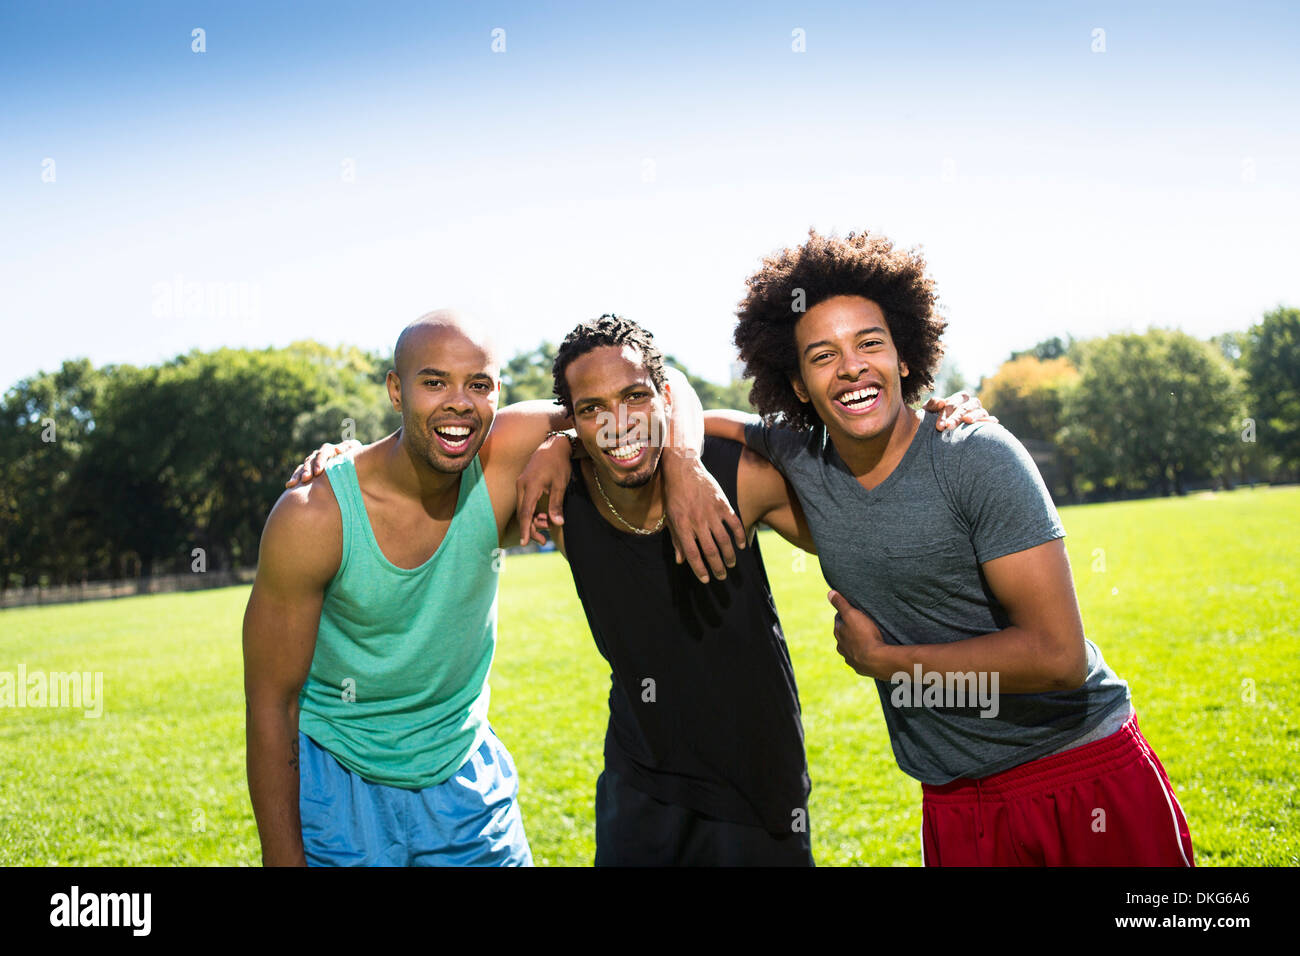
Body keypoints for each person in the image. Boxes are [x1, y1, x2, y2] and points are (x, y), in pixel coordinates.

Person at [703, 229, 1195, 866]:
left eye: (870, 343)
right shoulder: (798, 456)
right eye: (822, 355)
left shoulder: (978, 456)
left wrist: (887, 662)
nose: (851, 366)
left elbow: (1058, 657)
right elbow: (682, 411)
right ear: (796, 385)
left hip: (1076, 774)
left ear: (905, 357)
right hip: (955, 803)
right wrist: (680, 459)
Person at [243, 309, 737, 866]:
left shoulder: (510, 449)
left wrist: (682, 461)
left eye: (478, 384)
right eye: (434, 382)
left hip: (464, 780)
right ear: (395, 390)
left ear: (499, 391)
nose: (459, 402)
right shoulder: (314, 515)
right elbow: (271, 704)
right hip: (339, 784)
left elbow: (663, 390)